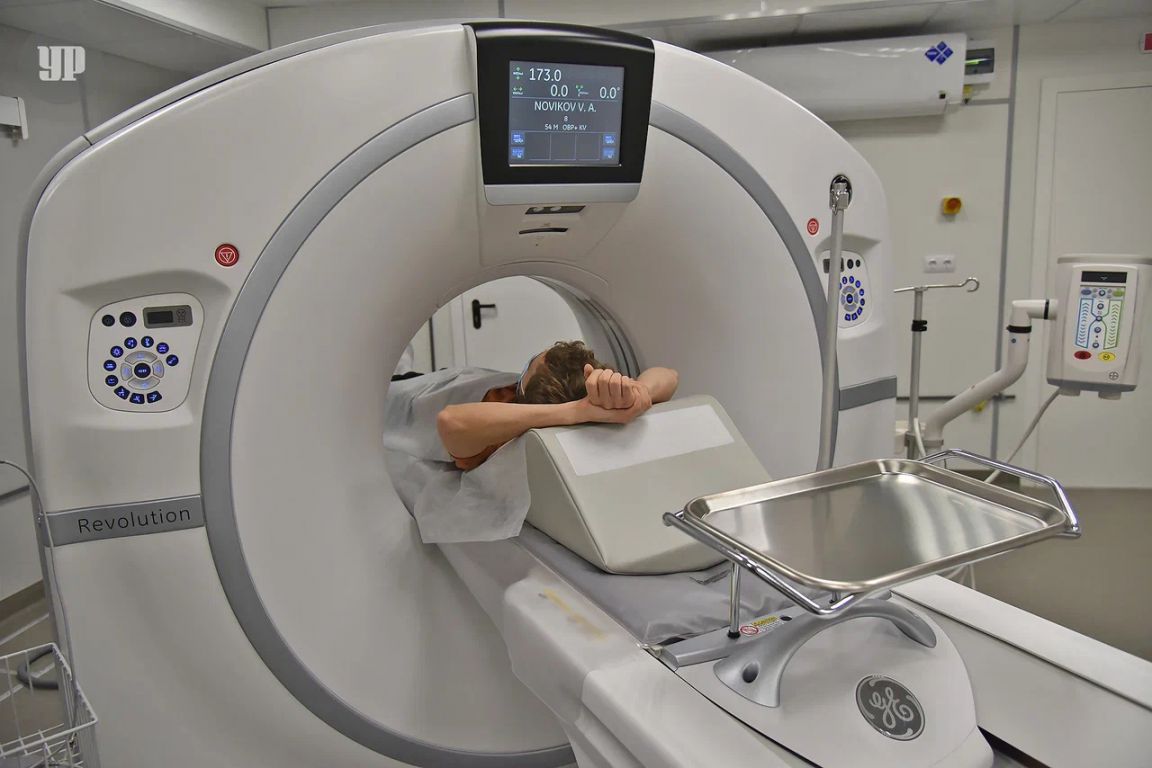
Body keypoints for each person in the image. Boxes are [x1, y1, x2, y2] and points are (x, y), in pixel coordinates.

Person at [436, 341, 678, 471]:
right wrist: (639, 390)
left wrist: (576, 411)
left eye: (530, 366)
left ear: (521, 393)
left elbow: (450, 420)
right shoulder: (594, 405)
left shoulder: (500, 438)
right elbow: (670, 375)